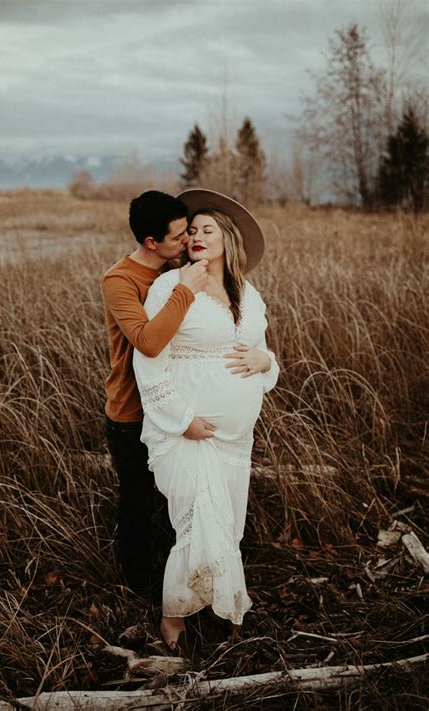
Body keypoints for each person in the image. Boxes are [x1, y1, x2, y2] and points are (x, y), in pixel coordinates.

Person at [132, 189, 280, 650]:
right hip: (187, 432)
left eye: (206, 230)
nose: (195, 236)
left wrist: (265, 362)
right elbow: (149, 361)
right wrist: (182, 420)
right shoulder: (170, 287)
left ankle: (228, 606)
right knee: (197, 522)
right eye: (190, 230)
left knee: (228, 524)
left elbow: (264, 353)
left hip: (236, 436)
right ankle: (173, 619)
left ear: (227, 238)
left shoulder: (248, 293)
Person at [101, 190, 211, 596]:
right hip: (132, 415)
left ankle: (183, 575)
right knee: (137, 504)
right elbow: (147, 341)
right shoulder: (120, 281)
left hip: (176, 408)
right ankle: (137, 588)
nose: (187, 241)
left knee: (178, 499)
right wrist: (186, 289)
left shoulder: (179, 266)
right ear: (151, 242)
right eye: (180, 236)